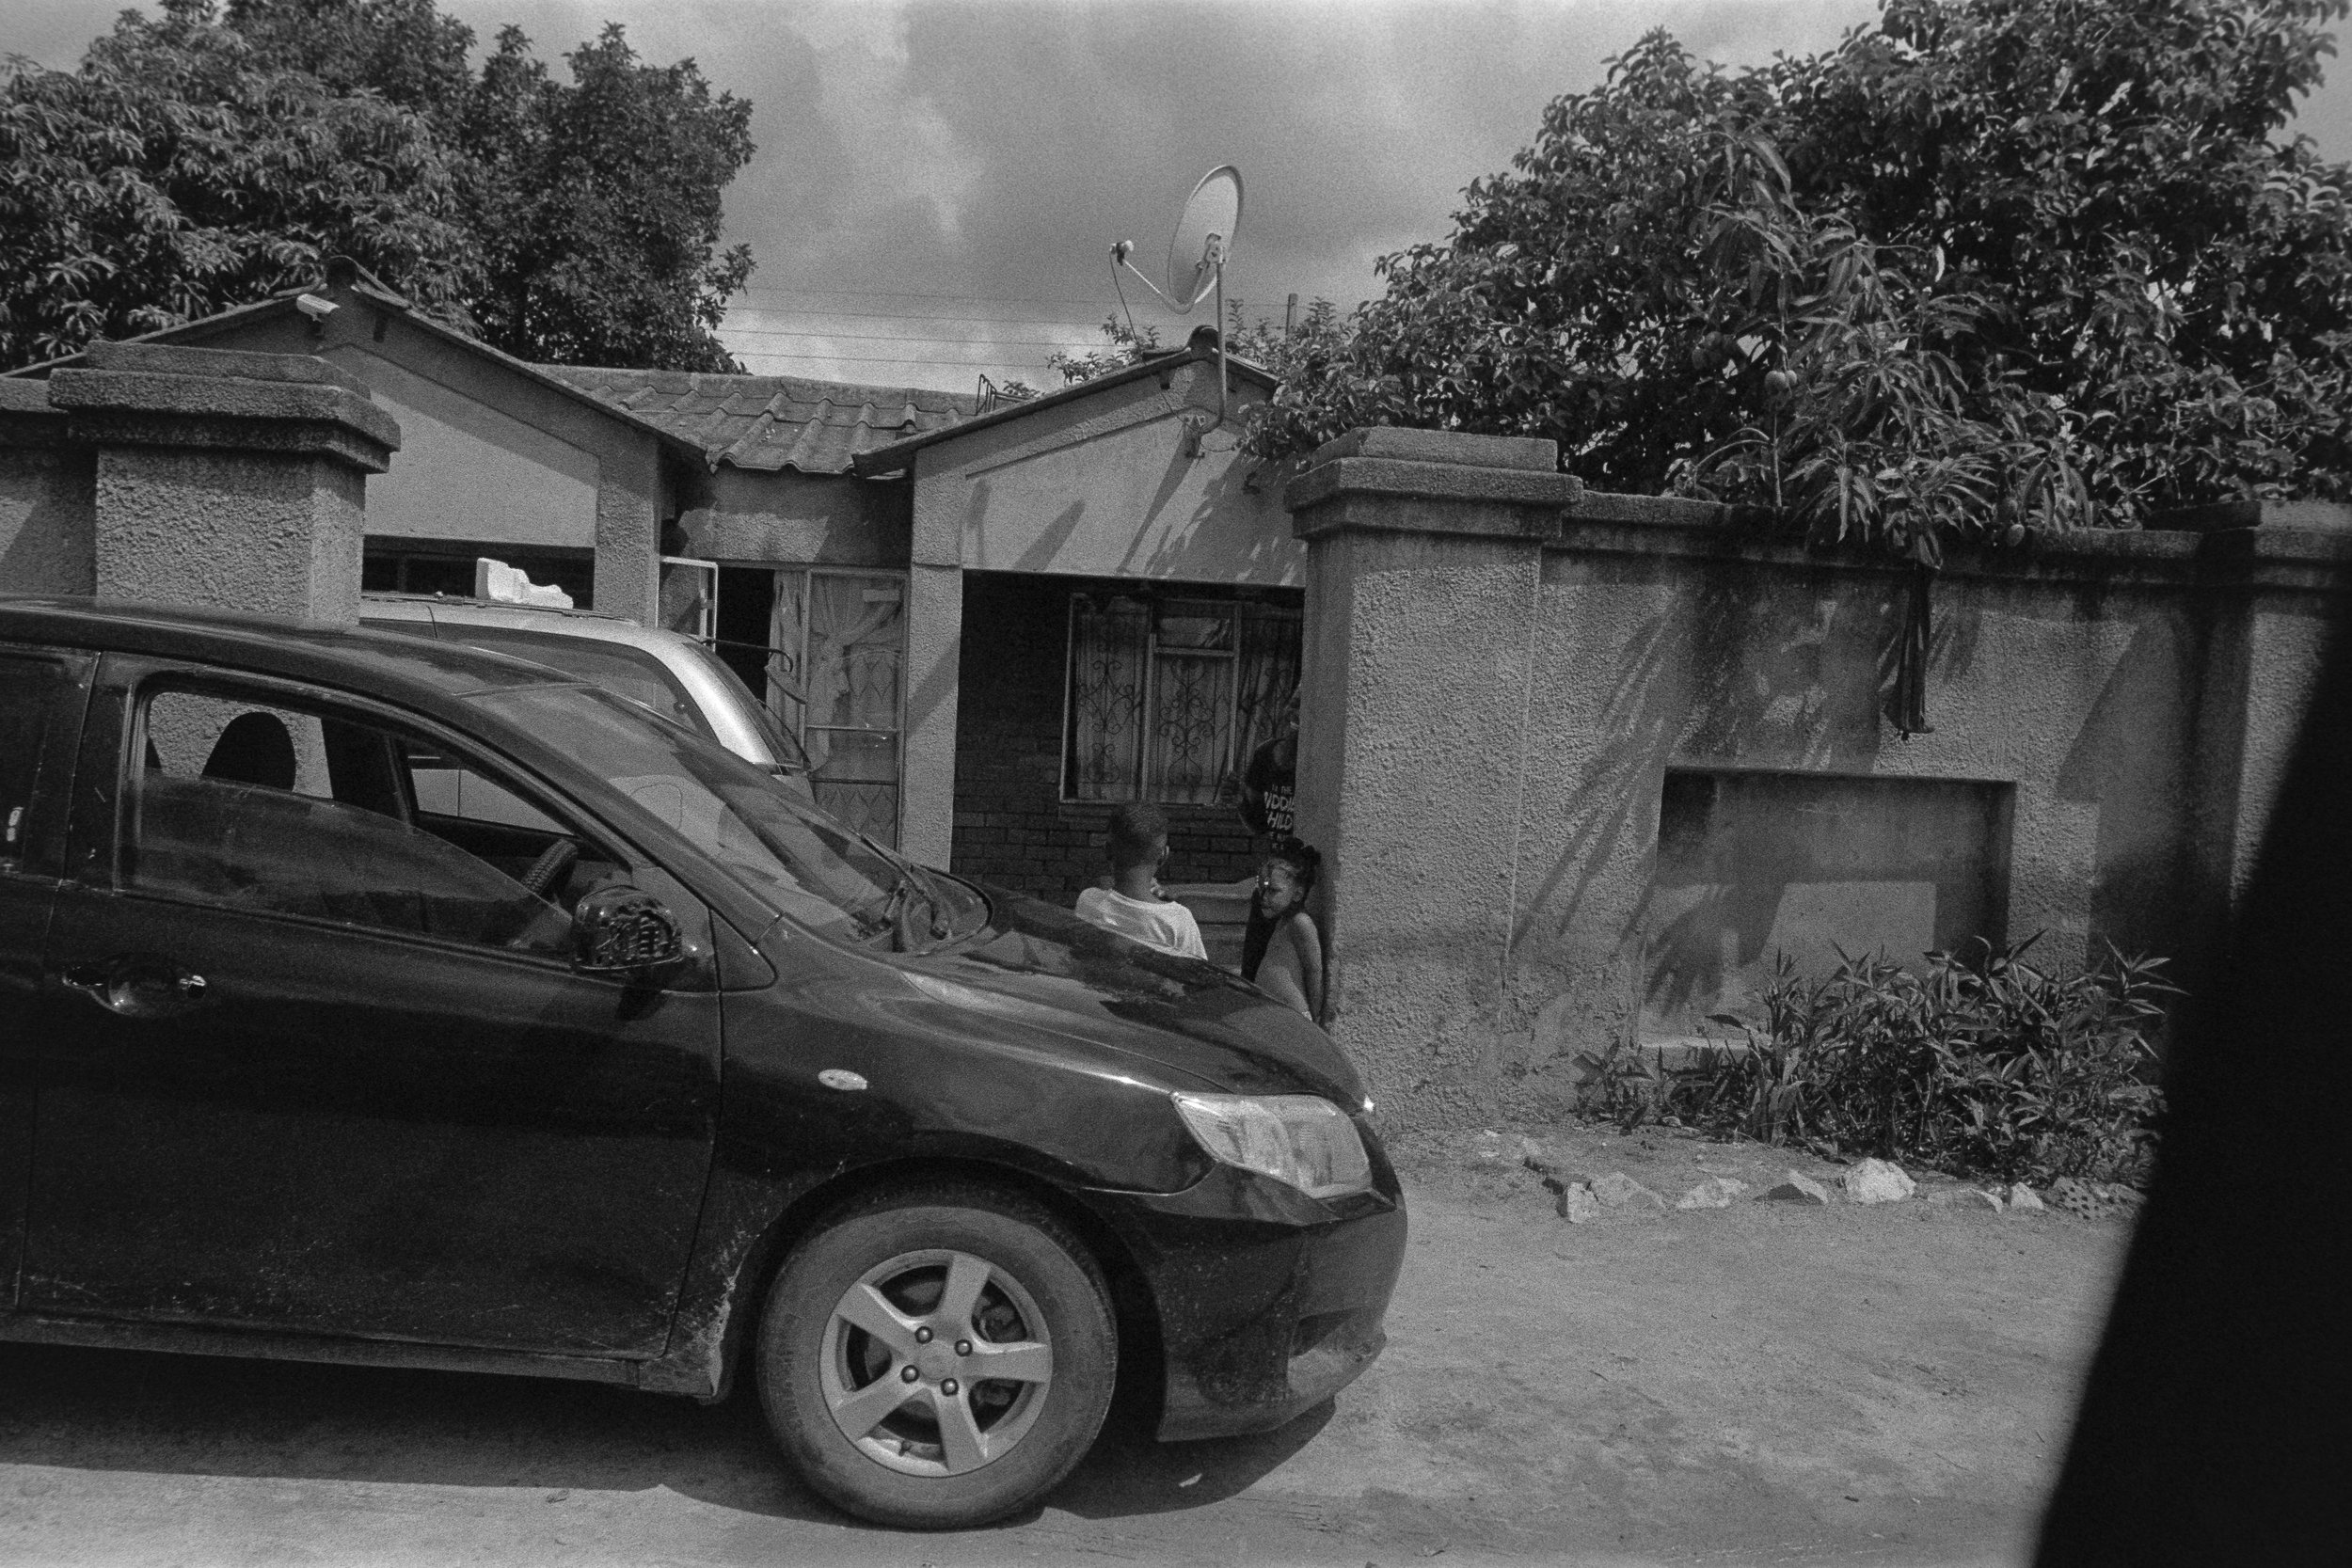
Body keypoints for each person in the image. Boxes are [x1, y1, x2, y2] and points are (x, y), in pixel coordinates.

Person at [1073, 802, 1207, 959]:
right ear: (1164, 855)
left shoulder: (1087, 901)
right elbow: (1198, 978)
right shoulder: (1177, 920)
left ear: (1107, 850)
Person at [1243, 835, 1323, 1020]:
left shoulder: (1301, 923)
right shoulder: (1282, 921)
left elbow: (1314, 972)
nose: (1264, 898)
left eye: (1273, 891)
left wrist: (1317, 1019)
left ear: (1297, 894)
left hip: (1294, 1018)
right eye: (1263, 889)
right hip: (1278, 1016)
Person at [1238, 691, 1298, 842]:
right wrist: (1239, 797)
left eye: (1303, 707)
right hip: (1275, 861)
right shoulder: (1265, 753)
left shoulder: (1317, 765)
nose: (1295, 713)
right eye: (1294, 704)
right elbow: (1257, 825)